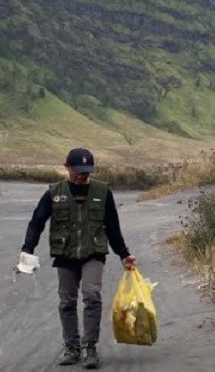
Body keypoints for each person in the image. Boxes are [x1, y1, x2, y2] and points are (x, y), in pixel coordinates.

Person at [20, 148, 136, 369]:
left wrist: (124, 254)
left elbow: (112, 227)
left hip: (93, 253)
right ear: (67, 166)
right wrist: (27, 249)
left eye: (87, 171)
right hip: (65, 255)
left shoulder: (103, 192)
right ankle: (71, 347)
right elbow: (36, 222)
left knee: (92, 295)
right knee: (67, 302)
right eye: (78, 171)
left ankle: (89, 347)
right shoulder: (54, 193)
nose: (83, 176)